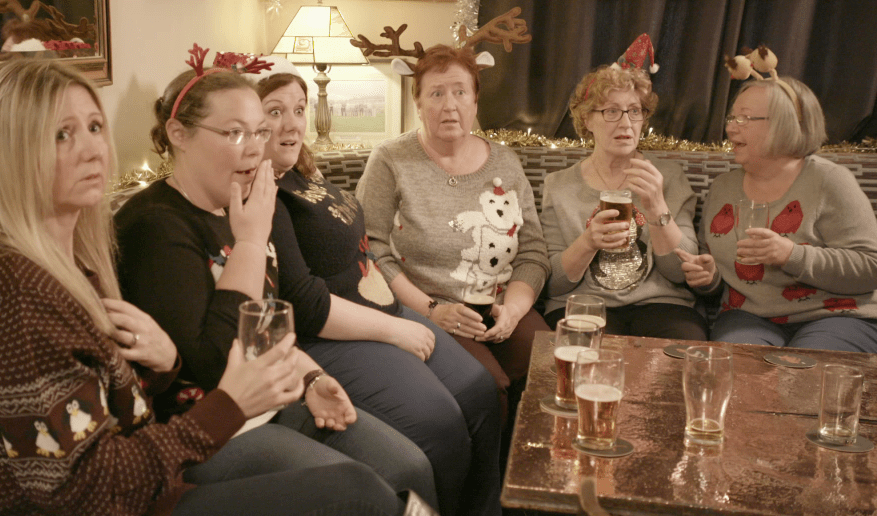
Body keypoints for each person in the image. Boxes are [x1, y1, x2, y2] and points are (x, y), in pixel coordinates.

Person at [0, 59, 452, 516]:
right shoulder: (14, 297)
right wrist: (229, 405)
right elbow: (94, 495)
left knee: (390, 475)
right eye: (61, 134)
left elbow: (107, 409)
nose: (92, 148)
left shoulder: (73, 265)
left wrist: (168, 363)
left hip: (134, 491)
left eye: (95, 127)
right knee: (355, 495)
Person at [114, 51, 443, 513]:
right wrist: (250, 242)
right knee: (363, 495)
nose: (253, 147)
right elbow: (213, 363)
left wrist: (311, 378)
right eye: (233, 133)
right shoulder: (155, 227)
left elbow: (267, 324)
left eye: (257, 131)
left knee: (408, 467)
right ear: (178, 135)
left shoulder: (242, 201)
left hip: (279, 398)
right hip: (211, 432)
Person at [246, 56, 502, 516]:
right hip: (335, 335)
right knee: (439, 425)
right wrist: (399, 327)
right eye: (275, 111)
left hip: (386, 313)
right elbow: (304, 302)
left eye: (300, 108)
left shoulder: (304, 175)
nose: (292, 122)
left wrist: (405, 313)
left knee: (481, 393)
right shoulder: (265, 195)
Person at [357, 45, 551, 430]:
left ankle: (542, 484)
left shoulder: (505, 162)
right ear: (418, 101)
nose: (450, 106)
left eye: (460, 92)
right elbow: (370, 249)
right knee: (486, 387)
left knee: (553, 371)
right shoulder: (391, 160)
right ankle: (486, 490)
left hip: (500, 307)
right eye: (436, 93)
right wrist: (432, 310)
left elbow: (532, 251)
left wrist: (513, 310)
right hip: (427, 310)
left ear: (475, 100)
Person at [677, 75, 877, 352]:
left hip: (836, 316)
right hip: (747, 317)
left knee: (803, 375)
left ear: (786, 124)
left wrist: (790, 255)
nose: (731, 129)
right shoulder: (723, 188)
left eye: (744, 119)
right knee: (736, 370)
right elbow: (716, 278)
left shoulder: (830, 180)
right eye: (731, 118)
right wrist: (708, 278)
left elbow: (870, 267)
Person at [539, 64, 708, 340]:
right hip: (586, 304)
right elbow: (554, 285)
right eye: (611, 112)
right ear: (586, 119)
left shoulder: (668, 177)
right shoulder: (559, 186)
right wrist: (588, 242)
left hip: (662, 305)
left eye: (634, 111)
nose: (626, 124)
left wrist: (657, 209)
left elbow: (681, 273)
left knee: (681, 351)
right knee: (586, 351)